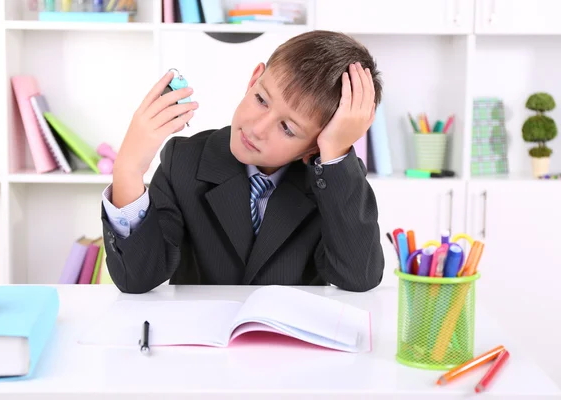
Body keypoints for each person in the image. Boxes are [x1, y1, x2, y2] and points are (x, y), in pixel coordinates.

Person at [101, 30, 385, 294]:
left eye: (287, 128)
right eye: (261, 99)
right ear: (253, 80)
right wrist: (127, 169)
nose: (258, 128)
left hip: (286, 344)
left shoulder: (333, 184)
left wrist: (335, 153)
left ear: (314, 146)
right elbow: (137, 278)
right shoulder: (184, 159)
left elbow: (358, 277)